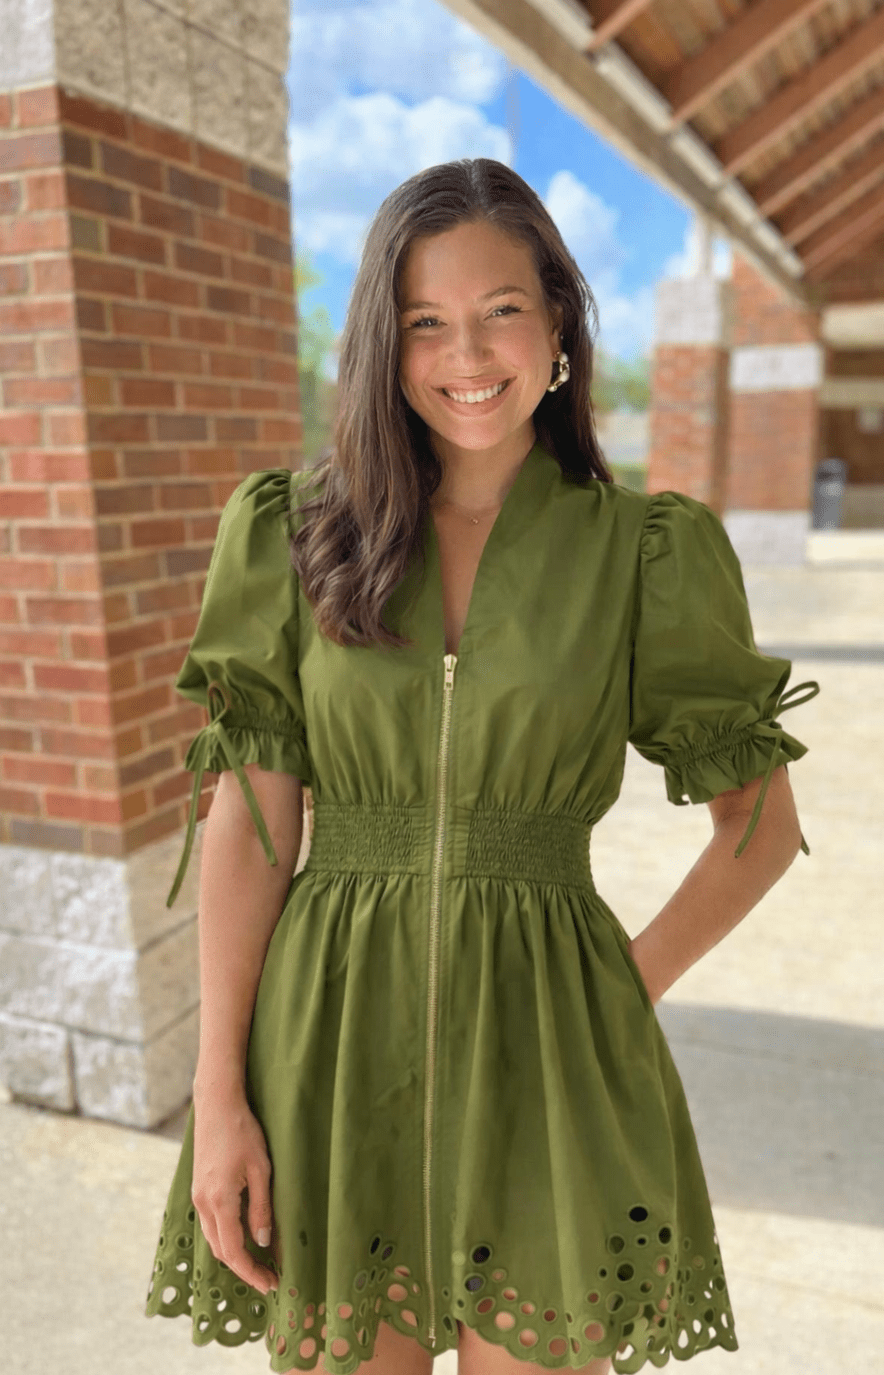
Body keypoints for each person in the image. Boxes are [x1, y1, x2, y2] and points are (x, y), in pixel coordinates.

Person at [145, 158, 820, 1375]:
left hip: (549, 1059)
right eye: (425, 321)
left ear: (557, 320)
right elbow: (251, 824)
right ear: (384, 343)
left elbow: (756, 824)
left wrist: (621, 984)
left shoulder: (642, 552)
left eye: (501, 308)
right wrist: (217, 1091)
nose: (468, 353)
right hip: (330, 1045)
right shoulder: (293, 536)